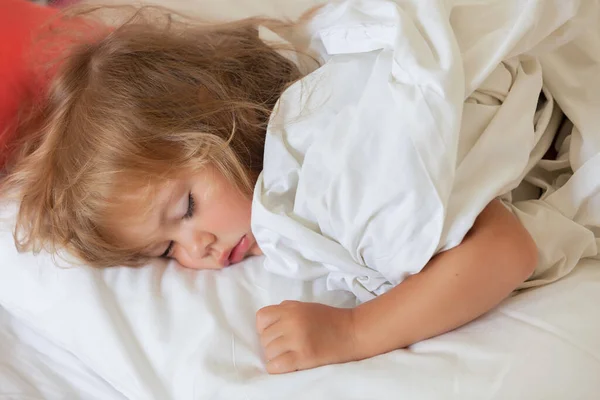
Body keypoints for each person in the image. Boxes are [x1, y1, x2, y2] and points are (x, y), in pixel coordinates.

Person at [2, 3, 538, 375]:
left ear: (218, 117)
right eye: (166, 250)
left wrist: (353, 332)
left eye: (186, 208)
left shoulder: (331, 167)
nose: (199, 250)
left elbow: (507, 249)